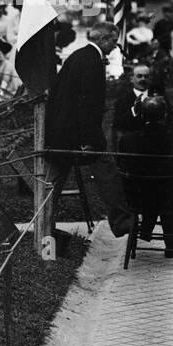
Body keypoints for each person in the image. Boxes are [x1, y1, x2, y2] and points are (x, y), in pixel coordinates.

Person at [44, 23, 134, 238]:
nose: (115, 46)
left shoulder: (77, 56)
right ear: (102, 39)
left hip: (60, 132)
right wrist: (90, 140)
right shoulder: (92, 61)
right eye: (113, 41)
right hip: (78, 135)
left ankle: (44, 227)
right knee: (108, 173)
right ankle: (125, 224)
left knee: (52, 184)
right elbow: (88, 106)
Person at [118, 95, 173, 258]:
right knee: (169, 190)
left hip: (139, 199)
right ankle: (171, 244)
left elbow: (121, 165)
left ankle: (146, 231)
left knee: (157, 190)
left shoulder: (128, 141)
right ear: (165, 115)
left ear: (141, 115)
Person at [113, 63, 159, 145]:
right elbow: (118, 125)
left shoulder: (159, 99)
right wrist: (133, 111)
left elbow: (172, 121)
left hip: (157, 145)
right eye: (139, 76)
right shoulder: (121, 102)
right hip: (135, 146)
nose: (143, 79)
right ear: (131, 79)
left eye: (146, 76)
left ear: (150, 79)